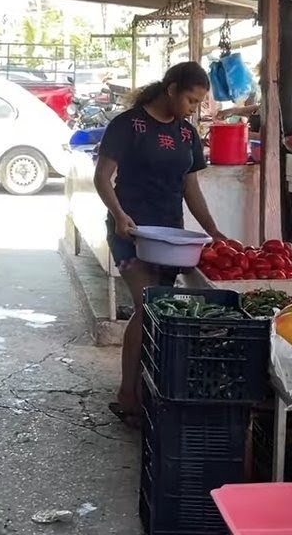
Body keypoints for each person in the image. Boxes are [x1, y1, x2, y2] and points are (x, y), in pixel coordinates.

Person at [93, 61, 227, 428]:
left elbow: (190, 188)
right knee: (147, 305)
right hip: (131, 234)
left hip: (171, 238)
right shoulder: (127, 125)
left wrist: (214, 231)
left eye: (199, 102)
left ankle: (149, 391)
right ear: (171, 89)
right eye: (190, 99)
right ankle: (127, 395)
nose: (193, 108)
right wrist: (120, 215)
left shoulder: (186, 134)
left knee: (159, 309)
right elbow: (102, 177)